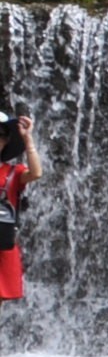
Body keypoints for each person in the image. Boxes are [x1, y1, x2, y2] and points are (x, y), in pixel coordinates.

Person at [0, 110, 42, 307]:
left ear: (6, 140)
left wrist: (28, 140)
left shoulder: (13, 172)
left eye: (0, 135)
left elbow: (36, 173)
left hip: (2, 243)